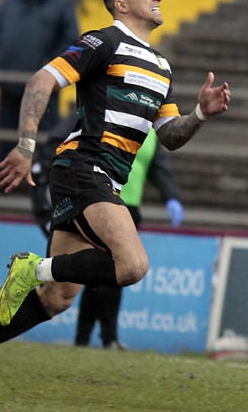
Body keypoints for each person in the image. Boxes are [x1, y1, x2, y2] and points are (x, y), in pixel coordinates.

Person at [0, 0, 230, 398]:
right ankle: (32, 268)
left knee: (58, 298)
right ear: (121, 4)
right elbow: (41, 80)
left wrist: (199, 114)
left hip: (100, 180)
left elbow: (168, 136)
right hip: (83, 168)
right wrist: (25, 145)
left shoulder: (161, 67)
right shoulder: (103, 42)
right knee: (133, 266)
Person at [75, 128, 184, 350]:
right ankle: (105, 338)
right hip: (102, 204)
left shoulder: (152, 133)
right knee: (109, 274)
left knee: (107, 274)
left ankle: (88, 339)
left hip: (129, 210)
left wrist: (171, 197)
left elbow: (159, 169)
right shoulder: (110, 119)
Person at [0, 0, 78, 165]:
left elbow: (70, 40)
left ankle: (41, 178)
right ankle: (3, 179)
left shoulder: (61, 3)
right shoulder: (10, 2)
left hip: (42, 90)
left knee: (42, 142)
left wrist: (49, 69)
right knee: (6, 141)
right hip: (9, 86)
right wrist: (0, 62)